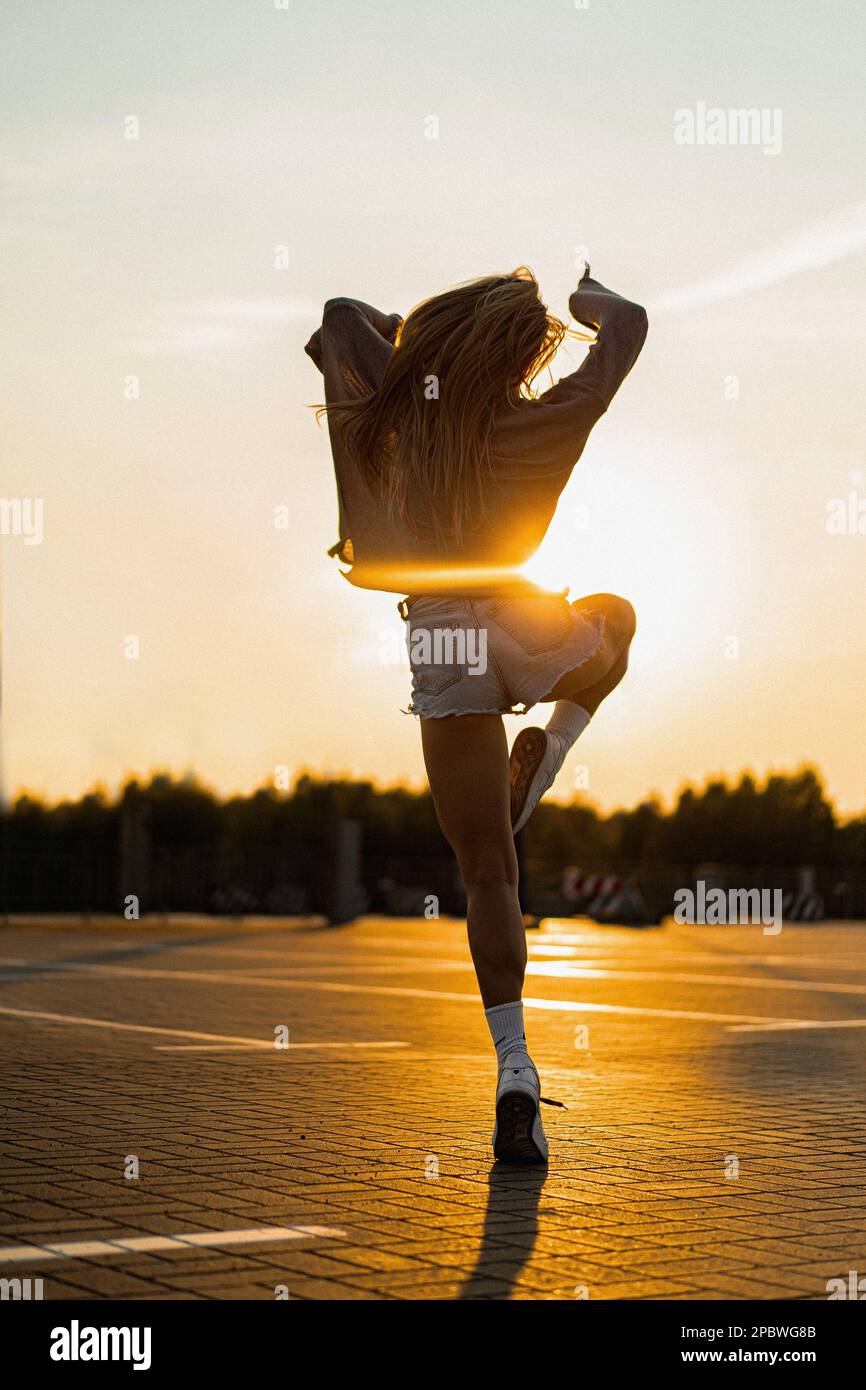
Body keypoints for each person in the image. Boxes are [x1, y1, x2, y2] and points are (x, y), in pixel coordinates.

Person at [306, 265, 648, 1162]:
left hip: (442, 636)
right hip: (527, 619)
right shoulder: (548, 417)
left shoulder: (405, 414)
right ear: (517, 352)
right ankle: (553, 755)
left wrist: (404, 341)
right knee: (614, 621)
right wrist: (588, 303)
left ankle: (515, 1070)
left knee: (488, 873)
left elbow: (341, 320)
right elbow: (629, 325)